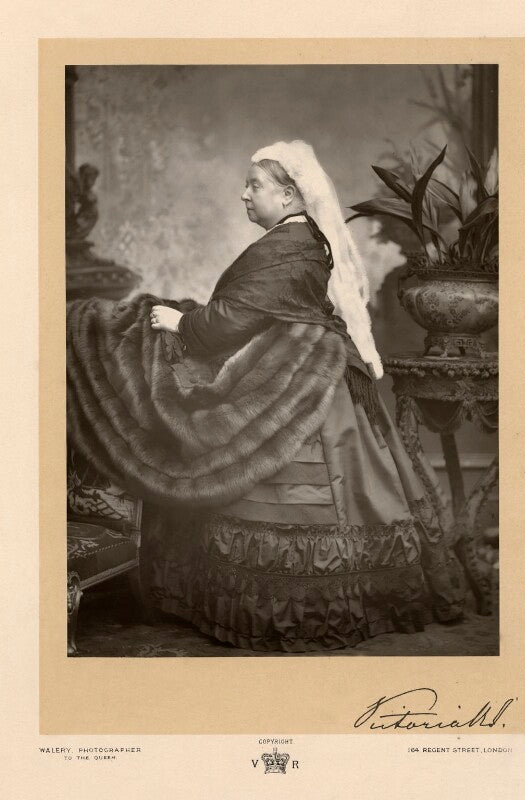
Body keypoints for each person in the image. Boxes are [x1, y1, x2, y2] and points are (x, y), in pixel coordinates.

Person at [146, 140, 465, 652]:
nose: (244, 194)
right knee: (349, 481)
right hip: (314, 361)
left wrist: (182, 322)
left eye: (255, 185)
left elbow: (233, 318)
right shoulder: (304, 238)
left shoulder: (285, 245)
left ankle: (308, 606)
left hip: (295, 368)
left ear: (290, 195)